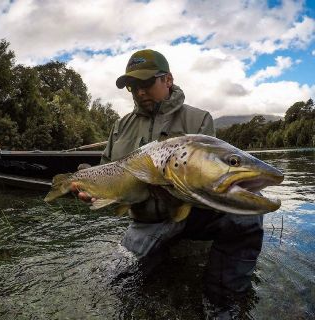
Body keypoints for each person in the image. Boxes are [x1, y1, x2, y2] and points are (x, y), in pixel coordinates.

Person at [75, 49, 263, 311]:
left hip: (190, 216)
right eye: (132, 86)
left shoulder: (199, 119)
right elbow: (105, 169)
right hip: (146, 221)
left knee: (246, 215)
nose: (139, 91)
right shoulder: (120, 126)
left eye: (146, 83)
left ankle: (223, 303)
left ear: (168, 80)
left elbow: (212, 183)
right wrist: (90, 191)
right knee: (117, 285)